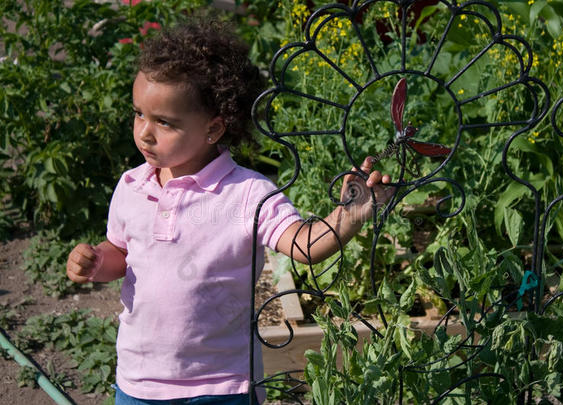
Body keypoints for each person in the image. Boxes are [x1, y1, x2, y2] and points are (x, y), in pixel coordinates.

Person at [66, 17, 391, 405]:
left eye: (164, 122)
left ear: (214, 129)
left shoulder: (247, 193)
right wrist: (96, 262)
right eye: (139, 114)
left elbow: (304, 245)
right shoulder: (132, 186)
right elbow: (121, 254)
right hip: (140, 381)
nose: (144, 132)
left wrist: (351, 212)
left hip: (223, 383)